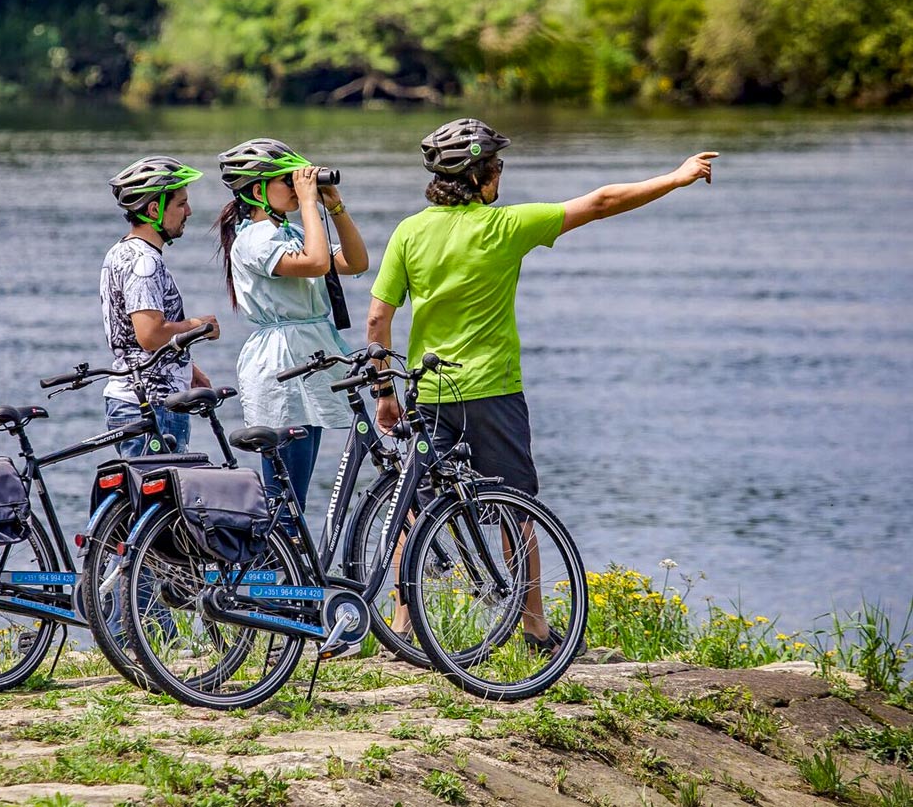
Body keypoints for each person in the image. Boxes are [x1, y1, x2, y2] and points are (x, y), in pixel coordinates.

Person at [367, 117, 717, 649]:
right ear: (481, 176)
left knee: (411, 505)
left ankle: (401, 625)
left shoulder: (408, 232)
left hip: (428, 393)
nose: (501, 175)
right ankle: (534, 626)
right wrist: (676, 176)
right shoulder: (505, 227)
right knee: (515, 509)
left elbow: (377, 321)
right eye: (497, 167)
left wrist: (385, 393)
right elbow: (600, 202)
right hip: (493, 392)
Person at [215, 138, 369, 516]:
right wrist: (305, 202)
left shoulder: (292, 233)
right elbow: (317, 263)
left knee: (293, 493)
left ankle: (287, 568)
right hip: (283, 364)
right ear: (257, 190)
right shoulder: (255, 238)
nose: (297, 185)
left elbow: (356, 261)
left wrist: (335, 207)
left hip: (309, 354)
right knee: (284, 498)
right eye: (286, 180)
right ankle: (274, 572)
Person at [102, 155, 220, 455]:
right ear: (154, 209)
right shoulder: (145, 262)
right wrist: (199, 327)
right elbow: (149, 334)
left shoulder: (120, 252)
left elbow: (132, 341)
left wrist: (187, 367)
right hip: (152, 405)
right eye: (181, 204)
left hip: (135, 397)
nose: (189, 211)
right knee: (163, 499)